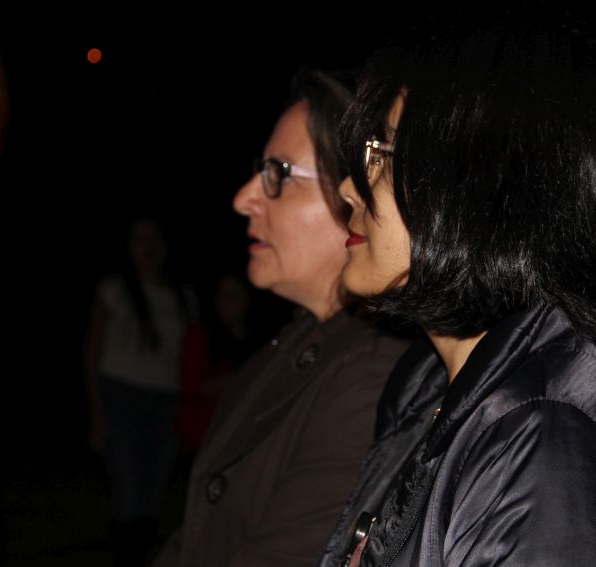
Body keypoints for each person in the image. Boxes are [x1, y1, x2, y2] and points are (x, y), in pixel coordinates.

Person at [319, 22, 596, 566]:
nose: (348, 187)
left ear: (489, 190)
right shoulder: (439, 401)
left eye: (385, 152)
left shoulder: (545, 454)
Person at [152, 68, 409, 567]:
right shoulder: (300, 341)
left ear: (356, 193)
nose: (243, 198)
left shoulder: (373, 378)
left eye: (280, 173)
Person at [84, 215, 198, 566]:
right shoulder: (114, 290)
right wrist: (97, 415)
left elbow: (191, 360)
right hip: (122, 397)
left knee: (153, 496)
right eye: (139, 239)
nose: (147, 247)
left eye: (153, 238)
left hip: (167, 402)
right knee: (129, 492)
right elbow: (92, 353)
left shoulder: (184, 296)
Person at [174, 272, 257, 452]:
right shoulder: (200, 334)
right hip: (202, 433)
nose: (225, 302)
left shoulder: (261, 343)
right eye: (221, 294)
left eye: (234, 297)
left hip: (242, 437)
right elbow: (190, 385)